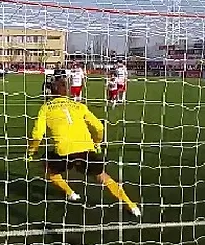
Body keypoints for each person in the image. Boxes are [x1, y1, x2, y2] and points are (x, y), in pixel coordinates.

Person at [27, 79, 141, 217]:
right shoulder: (78, 105)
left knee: (48, 168)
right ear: (67, 92)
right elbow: (99, 126)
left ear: (51, 92)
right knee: (103, 177)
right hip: (86, 148)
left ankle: (70, 193)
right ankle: (131, 206)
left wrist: (31, 151)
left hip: (63, 151)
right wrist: (97, 143)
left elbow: (37, 134)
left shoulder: (45, 107)